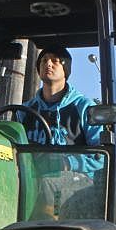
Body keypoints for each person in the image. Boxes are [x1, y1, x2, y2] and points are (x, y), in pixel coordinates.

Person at [21, 45, 103, 174]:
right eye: (44, 60)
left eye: (55, 60)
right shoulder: (23, 111)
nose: (48, 63)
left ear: (66, 69)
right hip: (31, 178)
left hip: (77, 182)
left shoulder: (85, 108)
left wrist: (67, 163)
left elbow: (102, 155)